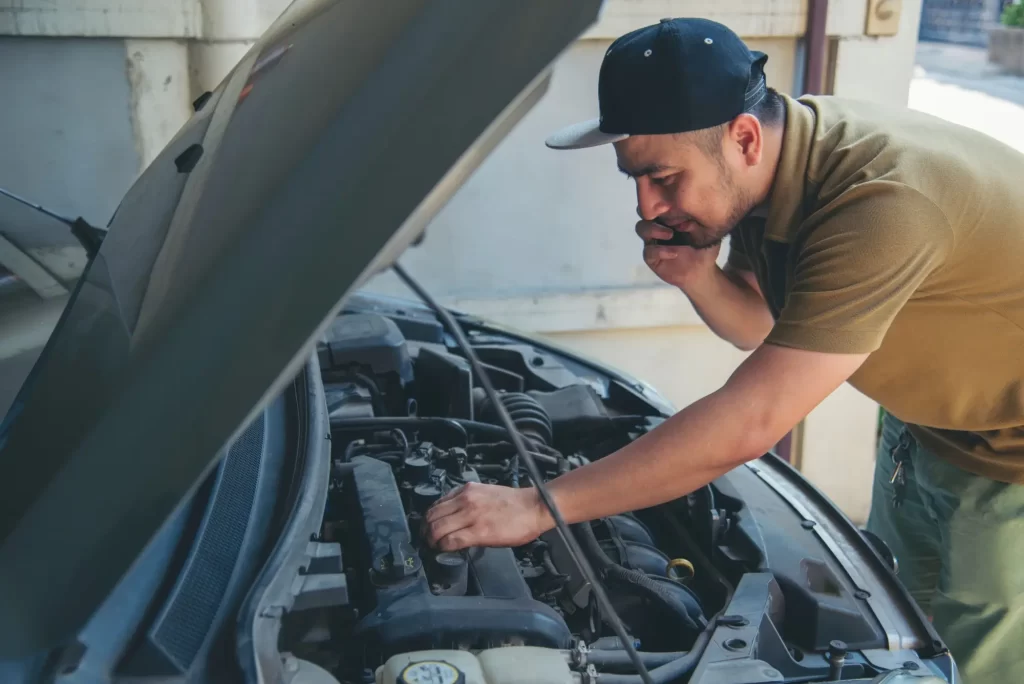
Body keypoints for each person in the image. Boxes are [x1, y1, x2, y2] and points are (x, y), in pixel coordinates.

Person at [424, 17, 1024, 681]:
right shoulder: (774, 166)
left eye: (663, 177)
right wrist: (698, 276)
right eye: (635, 178)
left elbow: (754, 420)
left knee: (984, 666)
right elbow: (762, 325)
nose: (648, 207)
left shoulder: (879, 206)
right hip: (927, 434)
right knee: (907, 641)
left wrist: (537, 506)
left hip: (1009, 462)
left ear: (742, 137)